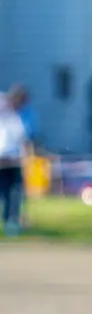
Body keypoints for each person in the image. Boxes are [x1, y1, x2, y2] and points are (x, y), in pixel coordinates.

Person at [0, 91, 29, 235]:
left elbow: (22, 139)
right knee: (6, 192)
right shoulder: (5, 114)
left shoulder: (15, 118)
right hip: (4, 159)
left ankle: (11, 221)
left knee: (14, 194)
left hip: (14, 161)